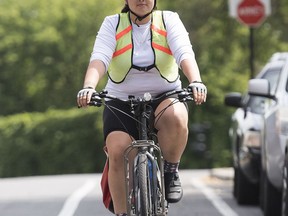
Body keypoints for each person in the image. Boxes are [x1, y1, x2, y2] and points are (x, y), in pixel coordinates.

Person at [77, 0, 207, 215]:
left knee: (177, 115)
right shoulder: (112, 24)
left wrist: (196, 81)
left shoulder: (169, 20)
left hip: (164, 96)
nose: (141, 0)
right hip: (121, 101)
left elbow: (184, 52)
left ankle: (171, 170)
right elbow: (99, 58)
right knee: (117, 151)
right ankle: (122, 212)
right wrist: (89, 87)